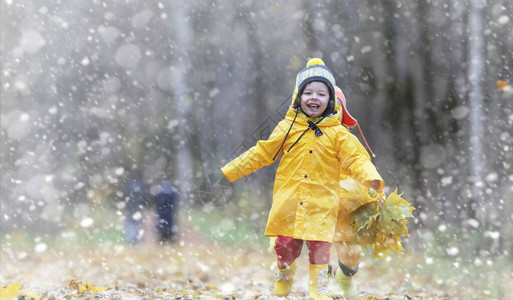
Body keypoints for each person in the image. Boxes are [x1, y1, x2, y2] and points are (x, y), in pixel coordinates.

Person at [219, 58, 385, 299]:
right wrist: (228, 172)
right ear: (298, 97)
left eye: (321, 94)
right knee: (285, 247)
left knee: (320, 249)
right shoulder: (287, 127)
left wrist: (372, 180)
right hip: (290, 201)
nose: (314, 98)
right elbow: (261, 152)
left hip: (322, 202)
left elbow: (357, 160)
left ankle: (319, 292)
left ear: (331, 102)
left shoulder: (339, 135)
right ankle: (285, 271)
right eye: (308, 92)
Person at [331, 85, 383, 299]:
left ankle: (346, 275)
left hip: (344, 205)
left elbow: (360, 163)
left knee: (351, 253)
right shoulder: (299, 135)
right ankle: (319, 276)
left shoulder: (346, 140)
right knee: (313, 241)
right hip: (313, 201)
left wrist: (373, 183)